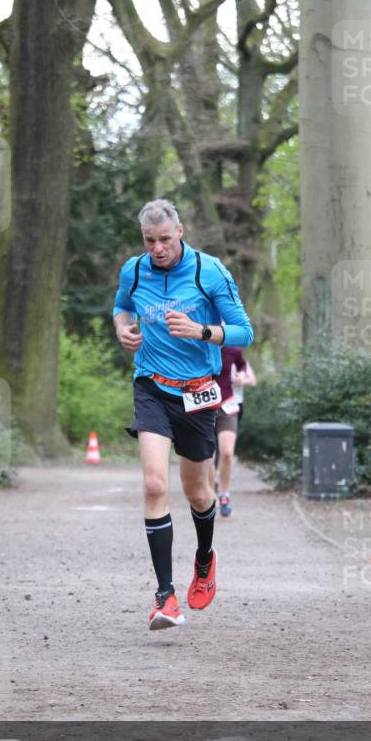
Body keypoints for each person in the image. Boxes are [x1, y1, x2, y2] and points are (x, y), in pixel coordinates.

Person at [113, 199, 253, 631]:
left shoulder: (209, 271)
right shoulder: (134, 270)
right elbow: (121, 306)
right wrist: (122, 329)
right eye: (149, 241)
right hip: (151, 385)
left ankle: (205, 558)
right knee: (155, 482)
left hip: (197, 391)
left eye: (165, 240)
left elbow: (245, 330)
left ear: (181, 231)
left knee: (198, 492)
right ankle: (165, 597)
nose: (157, 249)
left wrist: (203, 332)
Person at [210, 347, 257, 517]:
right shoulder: (203, 347)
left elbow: (251, 378)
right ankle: (209, 495)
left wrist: (242, 379)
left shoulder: (234, 352)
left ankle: (224, 494)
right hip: (206, 407)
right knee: (209, 456)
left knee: (227, 452)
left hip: (230, 406)